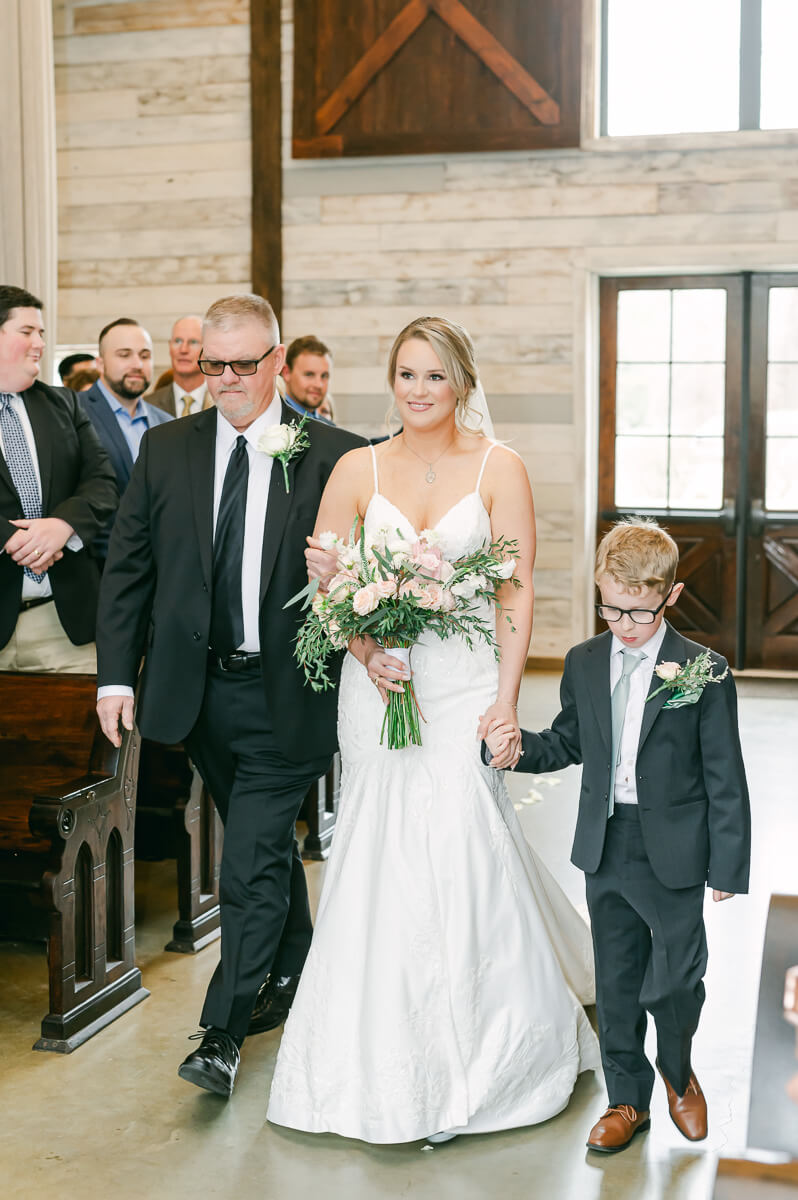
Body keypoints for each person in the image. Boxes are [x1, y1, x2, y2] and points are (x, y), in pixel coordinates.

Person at [268, 315, 599, 1144]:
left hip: (458, 684)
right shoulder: (354, 466)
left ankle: (483, 1055)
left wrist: (507, 699)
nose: (418, 392)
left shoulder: (500, 466)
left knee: (460, 839)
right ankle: (371, 1052)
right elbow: (331, 582)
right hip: (375, 690)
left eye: (434, 377)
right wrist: (366, 646)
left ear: (462, 383)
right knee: (376, 844)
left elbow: (515, 590)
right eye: (406, 375)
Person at [94, 293, 365, 1098]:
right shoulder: (168, 449)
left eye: (247, 364)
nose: (230, 380)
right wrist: (115, 674)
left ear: (279, 361)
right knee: (265, 845)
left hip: (290, 693)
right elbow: (130, 570)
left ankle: (221, 1031)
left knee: (244, 858)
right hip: (196, 693)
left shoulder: (337, 456)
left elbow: (368, 582)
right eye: (215, 365)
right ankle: (294, 961)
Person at [483, 518, 751, 1153]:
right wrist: (515, 750)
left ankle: (678, 1071)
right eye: (610, 608)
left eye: (639, 612)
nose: (624, 624)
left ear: (671, 596)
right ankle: (626, 1099)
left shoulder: (704, 672)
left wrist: (727, 867)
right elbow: (571, 741)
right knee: (619, 978)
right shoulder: (584, 662)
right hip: (606, 843)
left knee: (677, 979)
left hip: (679, 849)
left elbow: (726, 776)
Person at [0, 286, 118, 673]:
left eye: (43, 333)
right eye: (27, 331)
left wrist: (61, 526)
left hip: (64, 625)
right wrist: (11, 539)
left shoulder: (65, 403)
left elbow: (101, 480)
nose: (40, 343)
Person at [79, 318, 172, 557]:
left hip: (157, 564)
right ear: (100, 364)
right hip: (96, 564)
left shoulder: (166, 422)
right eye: (124, 355)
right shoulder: (74, 413)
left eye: (145, 355)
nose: (137, 364)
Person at [149, 315, 213, 417]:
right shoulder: (148, 404)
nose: (183, 349)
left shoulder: (222, 401)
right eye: (177, 341)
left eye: (193, 342)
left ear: (208, 349)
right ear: (170, 347)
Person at [281, 335, 333, 422]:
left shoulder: (332, 429)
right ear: (286, 373)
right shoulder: (271, 421)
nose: (319, 384)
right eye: (309, 374)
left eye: (324, 376)